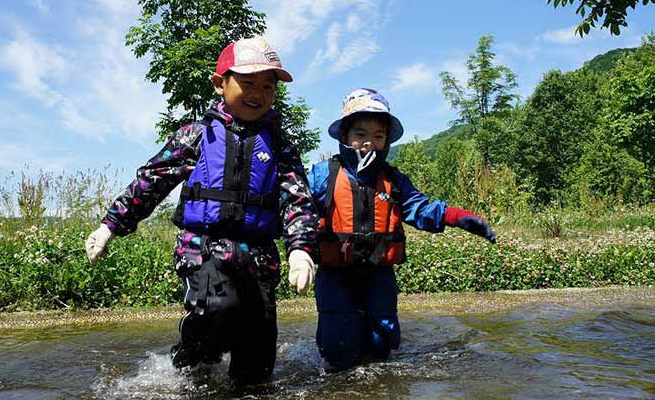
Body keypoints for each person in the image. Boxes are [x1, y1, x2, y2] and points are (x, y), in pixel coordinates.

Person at [83, 37, 318, 384]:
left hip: (259, 256)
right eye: (248, 82)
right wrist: (110, 225)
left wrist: (301, 249)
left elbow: (297, 199)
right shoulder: (196, 135)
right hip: (203, 247)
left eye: (268, 86)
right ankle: (189, 363)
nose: (259, 93)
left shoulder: (280, 145)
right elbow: (151, 182)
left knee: (258, 359)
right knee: (218, 312)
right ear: (220, 83)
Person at [289, 88, 497, 372]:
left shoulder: (394, 180)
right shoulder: (324, 175)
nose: (369, 144)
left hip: (378, 275)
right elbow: (297, 206)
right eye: (360, 134)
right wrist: (299, 251)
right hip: (335, 276)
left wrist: (458, 217)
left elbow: (421, 208)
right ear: (345, 137)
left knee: (379, 345)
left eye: (378, 136)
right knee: (338, 345)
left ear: (386, 141)